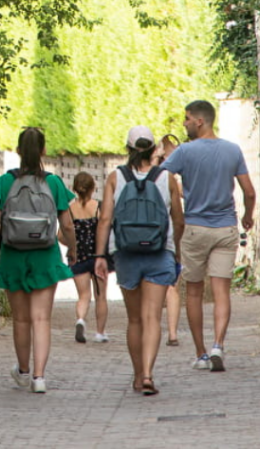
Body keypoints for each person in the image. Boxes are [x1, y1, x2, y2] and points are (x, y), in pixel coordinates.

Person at [0, 127, 77, 394]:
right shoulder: (53, 183)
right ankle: (39, 378)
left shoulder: (5, 182)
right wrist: (74, 250)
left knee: (21, 320)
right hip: (45, 256)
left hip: (13, 256)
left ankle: (23, 370)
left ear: (18, 151)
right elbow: (67, 224)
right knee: (41, 319)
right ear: (43, 151)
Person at [160, 99, 255, 373]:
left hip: (195, 227)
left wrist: (177, 196)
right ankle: (218, 345)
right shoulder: (232, 150)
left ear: (199, 121)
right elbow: (249, 191)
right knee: (222, 290)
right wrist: (248, 216)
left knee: (193, 292)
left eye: (187, 118)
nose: (184, 123)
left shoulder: (184, 152)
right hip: (226, 227)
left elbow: (160, 179)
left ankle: (201, 353)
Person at [94, 126, 184, 396]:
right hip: (160, 252)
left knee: (134, 320)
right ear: (153, 148)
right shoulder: (167, 178)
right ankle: (148, 373)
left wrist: (100, 255)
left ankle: (136, 375)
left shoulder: (115, 177)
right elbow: (178, 219)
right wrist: (176, 250)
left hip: (127, 253)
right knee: (153, 318)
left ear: (128, 148)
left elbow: (106, 219)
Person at [65, 171, 110, 344]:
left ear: (75, 189)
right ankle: (100, 332)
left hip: (78, 256)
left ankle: (81, 320)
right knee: (101, 296)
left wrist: (72, 246)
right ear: (93, 188)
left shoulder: (70, 209)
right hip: (98, 255)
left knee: (83, 295)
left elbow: (61, 234)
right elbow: (104, 228)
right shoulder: (98, 207)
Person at [152, 134, 183, 346]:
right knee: (172, 287)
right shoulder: (170, 180)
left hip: (142, 238)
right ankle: (172, 333)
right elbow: (178, 216)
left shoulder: (136, 176)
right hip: (166, 238)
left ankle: (151, 329)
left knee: (150, 288)